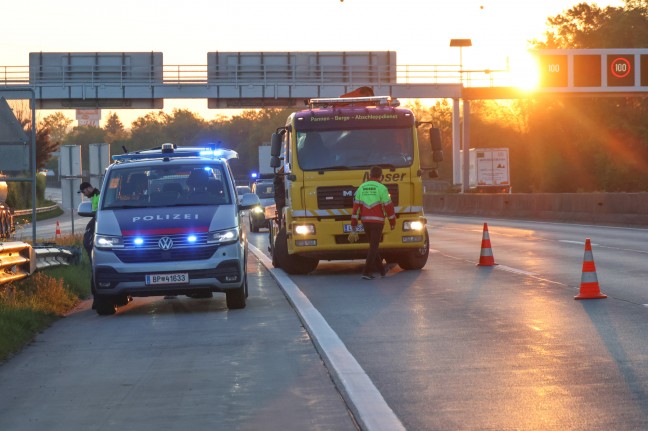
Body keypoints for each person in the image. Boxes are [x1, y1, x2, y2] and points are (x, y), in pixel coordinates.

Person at [350, 166, 396, 280]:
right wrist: (392, 221)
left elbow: (356, 208)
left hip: (365, 221)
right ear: (381, 176)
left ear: (370, 175)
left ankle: (381, 271)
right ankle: (366, 272)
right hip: (378, 222)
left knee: (373, 246)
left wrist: (354, 223)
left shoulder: (361, 187)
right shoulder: (382, 188)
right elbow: (388, 207)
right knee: (374, 246)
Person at [78, 181, 100, 264]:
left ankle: (93, 264)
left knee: (88, 243)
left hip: (99, 221)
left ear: (88, 188)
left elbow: (99, 214)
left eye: (84, 192)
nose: (84, 194)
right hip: (96, 219)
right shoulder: (95, 196)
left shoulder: (99, 196)